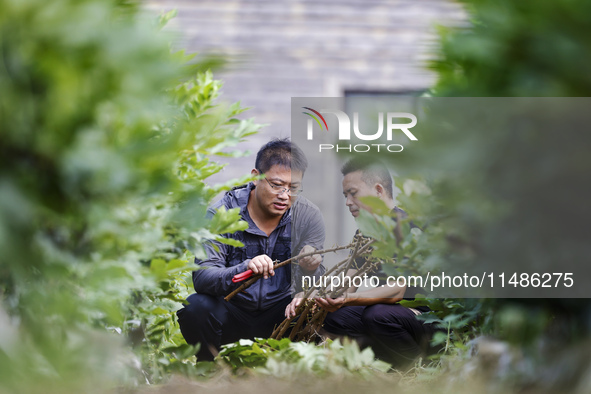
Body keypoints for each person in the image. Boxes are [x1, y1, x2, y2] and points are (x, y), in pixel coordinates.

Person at [177, 138, 325, 361]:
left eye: (293, 188)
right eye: (276, 185)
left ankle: (291, 371)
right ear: (255, 176)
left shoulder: (308, 216)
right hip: (230, 314)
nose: (285, 195)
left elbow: (319, 280)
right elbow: (203, 276)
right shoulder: (222, 215)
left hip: (280, 317)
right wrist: (244, 268)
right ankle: (209, 368)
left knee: (318, 308)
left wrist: (311, 273)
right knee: (196, 306)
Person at [286, 157, 434, 368]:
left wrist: (349, 298)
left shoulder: (405, 226)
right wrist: (312, 296)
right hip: (394, 317)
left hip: (425, 317)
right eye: (345, 195)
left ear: (378, 190)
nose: (347, 202)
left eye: (353, 193)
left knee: (378, 315)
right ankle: (386, 362)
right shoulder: (364, 234)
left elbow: (397, 292)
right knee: (334, 317)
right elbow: (347, 283)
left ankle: (417, 369)